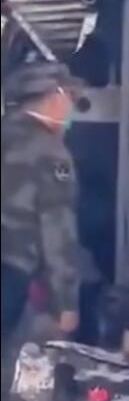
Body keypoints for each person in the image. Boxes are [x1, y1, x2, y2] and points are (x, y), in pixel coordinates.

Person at [1, 60, 81, 347]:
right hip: (12, 272)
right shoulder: (49, 151)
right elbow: (57, 229)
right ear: (54, 96)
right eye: (70, 97)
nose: (71, 106)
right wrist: (65, 302)